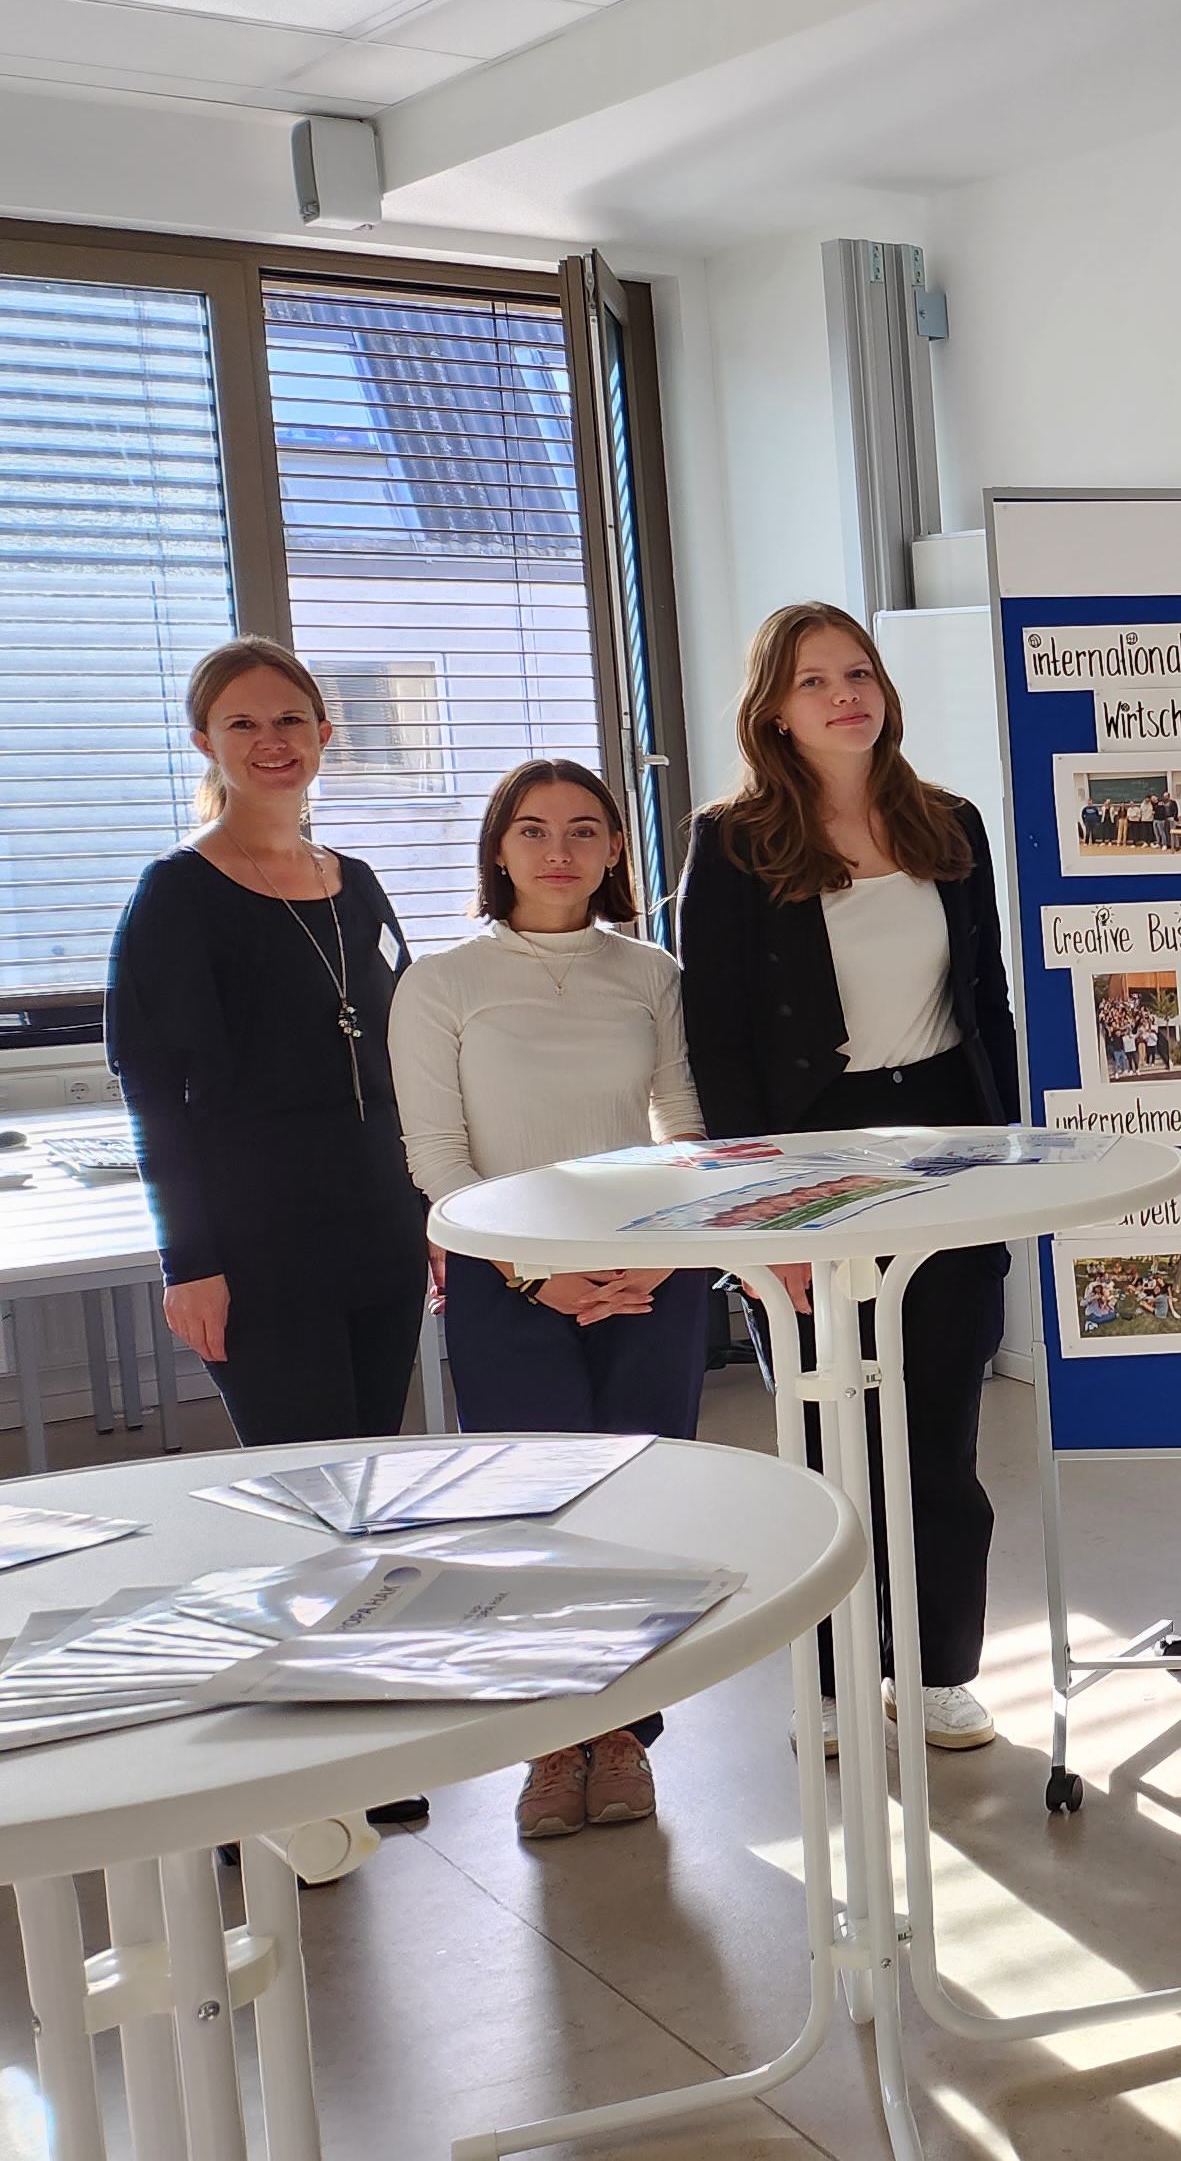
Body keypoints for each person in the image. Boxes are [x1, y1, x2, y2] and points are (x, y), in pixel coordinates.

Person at [678, 601, 1024, 1757]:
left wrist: (1006, 1155)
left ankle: (936, 1669)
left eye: (858, 671)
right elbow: (716, 1038)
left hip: (946, 1141)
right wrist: (755, 1212)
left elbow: (986, 1000)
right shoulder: (732, 841)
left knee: (941, 1430)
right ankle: (829, 1678)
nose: (844, 696)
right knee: (831, 1435)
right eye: (814, 679)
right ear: (774, 709)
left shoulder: (948, 821)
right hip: (809, 1148)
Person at [389, 757, 711, 1843]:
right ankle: (548, 1739)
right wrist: (534, 1269)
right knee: (535, 1515)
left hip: (650, 1269)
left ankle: (622, 1733)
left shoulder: (651, 972)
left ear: (616, 848)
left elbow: (685, 1126)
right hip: (504, 1276)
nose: (559, 849)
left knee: (639, 1509)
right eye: (532, 829)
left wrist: (661, 1256)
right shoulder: (442, 982)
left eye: (583, 829)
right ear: (498, 848)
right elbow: (438, 1155)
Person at [111, 639, 424, 1446]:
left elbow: (409, 1055)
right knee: (310, 1480)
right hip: (261, 1248)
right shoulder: (177, 892)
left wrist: (431, 1212)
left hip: (381, 1228)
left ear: (324, 732)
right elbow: (151, 1094)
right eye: (242, 724)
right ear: (204, 743)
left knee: (374, 1467)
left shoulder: (357, 881)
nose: (272, 741)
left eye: (289, 719)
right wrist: (188, 1265)